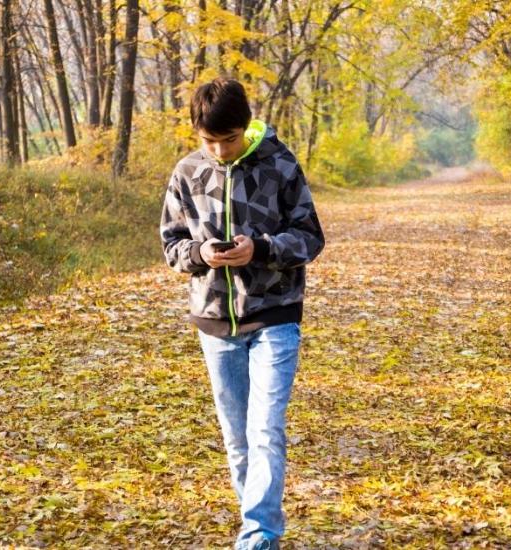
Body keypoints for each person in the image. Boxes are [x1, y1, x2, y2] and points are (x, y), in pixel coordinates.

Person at [159, 77, 325, 550]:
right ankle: (258, 523)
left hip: (275, 316)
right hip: (215, 323)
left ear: (246, 127)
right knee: (237, 441)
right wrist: (201, 253)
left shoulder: (279, 164)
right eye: (209, 141)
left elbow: (310, 237)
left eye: (228, 139)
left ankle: (258, 537)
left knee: (265, 429)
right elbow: (171, 246)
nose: (219, 150)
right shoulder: (187, 172)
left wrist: (262, 248)